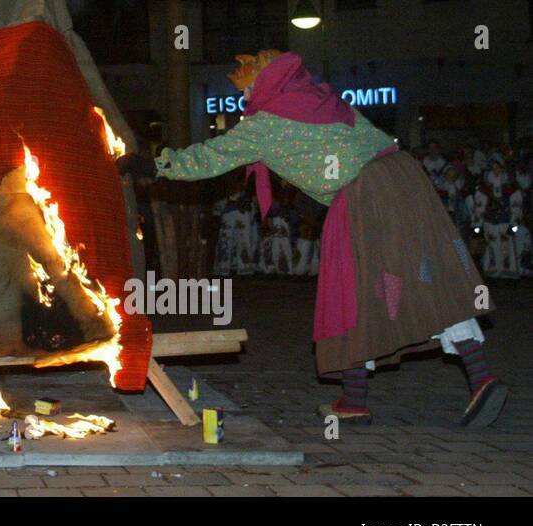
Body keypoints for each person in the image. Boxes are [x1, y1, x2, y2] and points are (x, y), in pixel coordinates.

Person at [155, 50, 507, 428]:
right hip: (405, 180)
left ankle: (359, 400)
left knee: (351, 292)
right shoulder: (320, 97)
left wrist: (154, 164)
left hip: (362, 197)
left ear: (261, 83)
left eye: (247, 88)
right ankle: (475, 375)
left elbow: (208, 158)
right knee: (426, 278)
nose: (244, 97)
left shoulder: (266, 125)